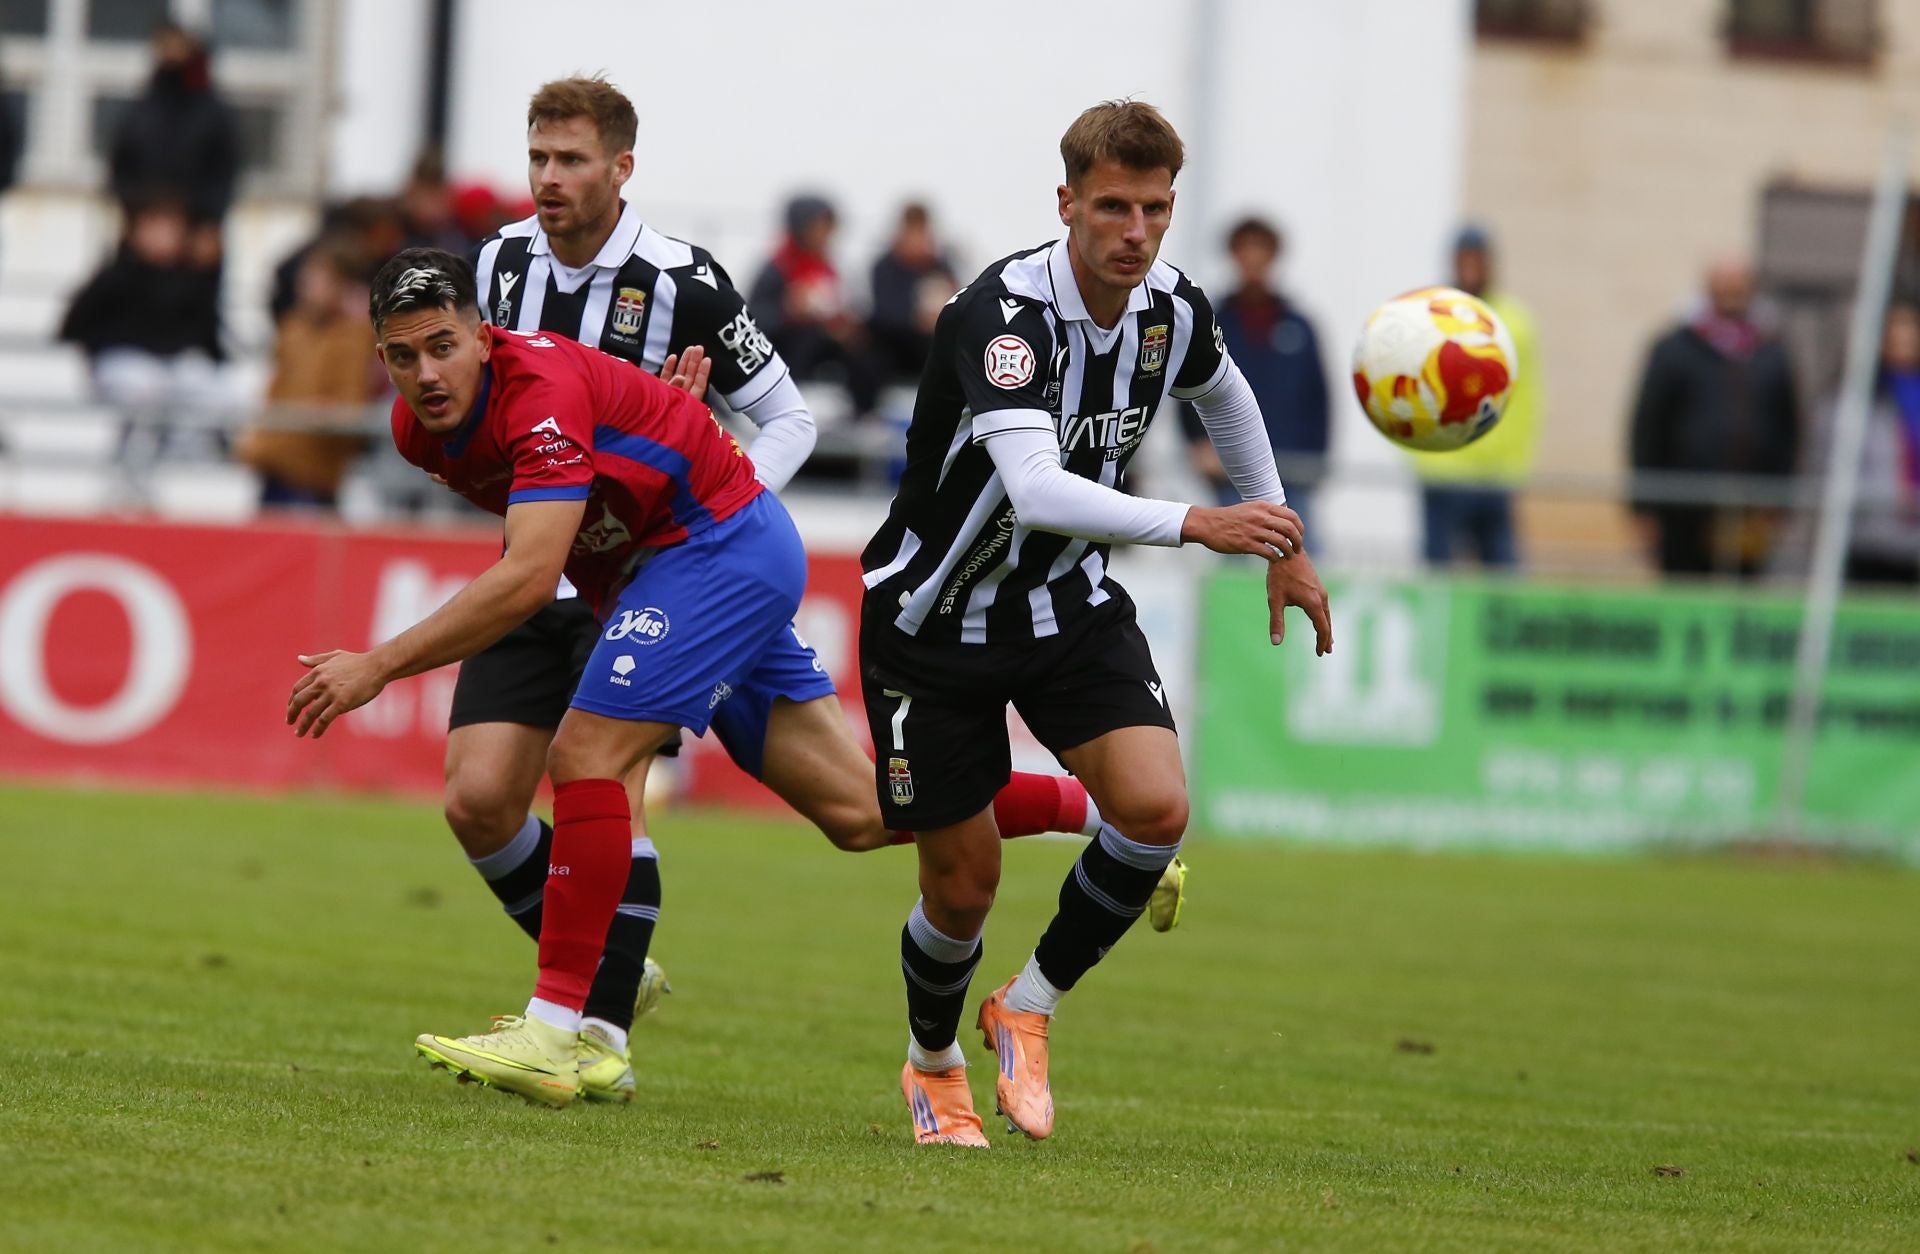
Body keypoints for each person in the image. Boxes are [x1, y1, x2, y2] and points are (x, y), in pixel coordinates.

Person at [288, 251, 1110, 1109]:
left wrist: (378, 665)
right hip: (681, 563)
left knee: (587, 755)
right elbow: (575, 513)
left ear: (484, 338)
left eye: (443, 346)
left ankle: (558, 1030)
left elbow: (529, 576)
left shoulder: (538, 393)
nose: (426, 373)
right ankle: (1103, 819)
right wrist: (646, 437)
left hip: (717, 551)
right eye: (403, 356)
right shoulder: (418, 433)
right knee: (863, 812)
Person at [860, 100, 1333, 1147]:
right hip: (934, 621)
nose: (1136, 231)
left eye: (1155, 208)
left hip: (1064, 605)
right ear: (1067, 203)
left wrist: (1281, 536)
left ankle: (1025, 1007)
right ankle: (932, 1064)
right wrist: (1199, 523)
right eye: (1113, 206)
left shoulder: (1172, 308)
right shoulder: (1001, 319)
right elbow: (1036, 489)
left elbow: (1227, 398)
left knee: (1158, 809)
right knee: (963, 887)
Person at [1629, 257, 1799, 578]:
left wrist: (1781, 497)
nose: (1732, 291)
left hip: (1750, 508)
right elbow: (1648, 427)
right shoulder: (1674, 349)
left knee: (1742, 591)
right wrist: (1643, 503)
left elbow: (1788, 429)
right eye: (1725, 284)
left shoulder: (1770, 352)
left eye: (1738, 284)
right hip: (1682, 508)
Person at [58, 194, 234, 485]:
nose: (163, 237)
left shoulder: (191, 278)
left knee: (207, 386)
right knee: (144, 385)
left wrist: (209, 270)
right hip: (124, 366)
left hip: (174, 368)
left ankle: (188, 466)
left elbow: (208, 336)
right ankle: (134, 465)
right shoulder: (115, 275)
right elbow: (73, 327)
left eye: (172, 228)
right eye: (156, 227)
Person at [1177, 216, 1328, 529]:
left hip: (1292, 474)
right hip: (1230, 471)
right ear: (1233, 255)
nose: (1253, 259)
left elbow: (1318, 398)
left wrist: (1315, 461)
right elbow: (1186, 386)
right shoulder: (1211, 320)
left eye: (1261, 250)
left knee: (1296, 549)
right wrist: (1198, 443)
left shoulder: (1299, 326)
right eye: (1246, 249)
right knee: (1232, 553)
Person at [1412, 224, 1542, 568]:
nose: (1470, 268)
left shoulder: (1513, 320)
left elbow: (1528, 399)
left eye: (1477, 260)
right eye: (1464, 260)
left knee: (1500, 572)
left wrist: (1517, 461)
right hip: (1443, 468)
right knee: (1440, 572)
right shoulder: (1429, 316)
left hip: (1495, 472)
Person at [234, 236, 382, 509]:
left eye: (320, 280)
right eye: (307, 280)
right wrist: (257, 443)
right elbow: (274, 389)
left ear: (342, 286)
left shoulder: (356, 337)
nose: (309, 288)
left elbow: (350, 406)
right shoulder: (292, 328)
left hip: (316, 475)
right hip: (272, 464)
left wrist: (316, 416)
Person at [750, 193, 881, 413]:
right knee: (806, 339)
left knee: (866, 353)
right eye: (819, 227)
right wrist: (789, 310)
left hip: (824, 344)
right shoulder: (777, 268)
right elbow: (756, 319)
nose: (826, 235)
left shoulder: (827, 267)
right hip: (788, 348)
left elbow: (841, 307)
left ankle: (864, 414)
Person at [107, 24, 237, 231]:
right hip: (145, 226)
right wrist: (139, 214)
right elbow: (121, 168)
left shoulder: (211, 113)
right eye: (165, 45)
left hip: (195, 229)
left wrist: (208, 221)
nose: (170, 52)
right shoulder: (142, 110)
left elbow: (223, 174)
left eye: (176, 46)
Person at [1833, 298, 1920, 585]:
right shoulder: (1862, 394)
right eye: (1896, 336)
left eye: (1911, 335)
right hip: (1871, 528)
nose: (1904, 344)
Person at [868, 202, 959, 382]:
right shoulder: (885, 267)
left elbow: (956, 302)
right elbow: (883, 312)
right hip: (895, 344)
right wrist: (917, 318)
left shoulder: (940, 266)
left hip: (928, 343)